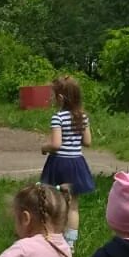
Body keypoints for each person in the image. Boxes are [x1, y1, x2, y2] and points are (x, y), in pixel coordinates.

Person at [40, 75, 94, 246]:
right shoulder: (82, 117)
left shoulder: (58, 117)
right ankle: (70, 243)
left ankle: (53, 237)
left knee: (54, 201)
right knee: (73, 205)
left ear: (61, 98)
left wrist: (45, 147)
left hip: (60, 164)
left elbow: (56, 144)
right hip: (77, 163)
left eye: (54, 95)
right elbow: (88, 142)